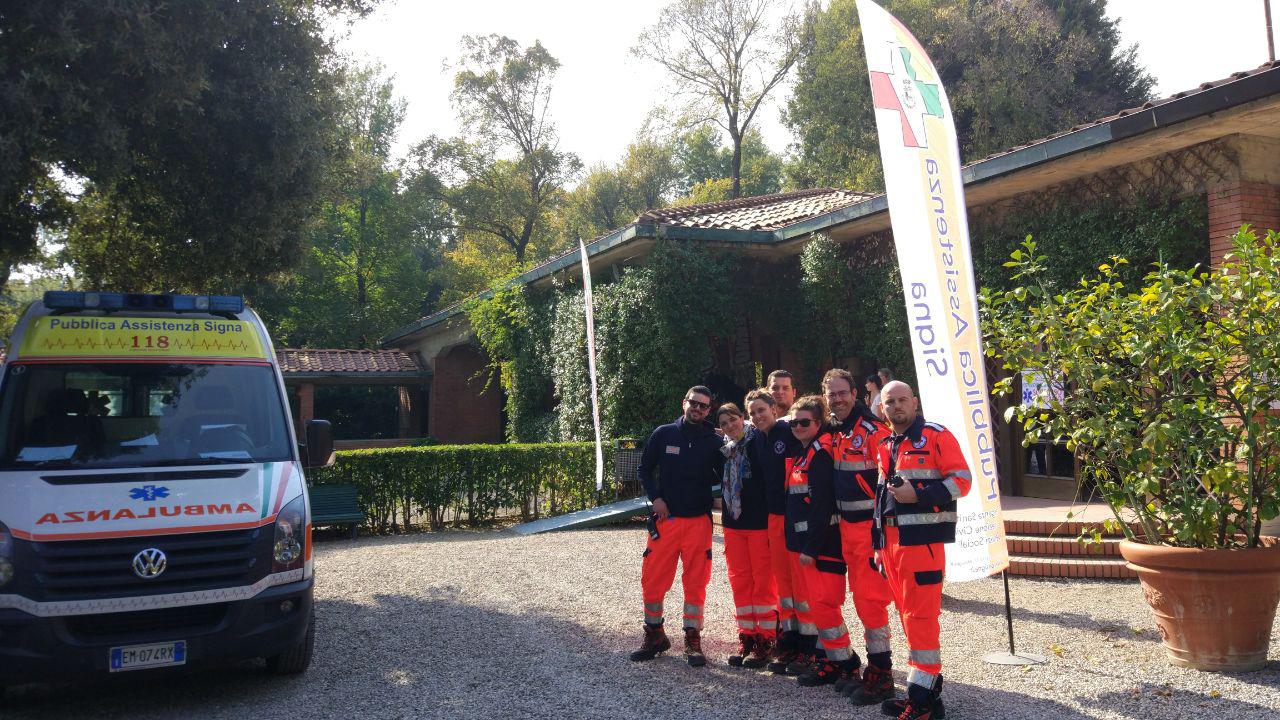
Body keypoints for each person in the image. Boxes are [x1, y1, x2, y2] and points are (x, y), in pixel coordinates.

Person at [873, 381, 972, 719]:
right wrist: (877, 543)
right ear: (882, 408)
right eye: (890, 402)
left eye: (902, 400)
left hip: (922, 543)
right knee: (908, 618)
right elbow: (880, 498)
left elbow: (962, 481)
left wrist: (918, 494)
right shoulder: (887, 443)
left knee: (921, 620)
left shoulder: (935, 436)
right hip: (892, 543)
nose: (897, 406)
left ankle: (923, 703)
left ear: (914, 402)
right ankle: (923, 695)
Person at [631, 386, 725, 667]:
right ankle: (654, 634)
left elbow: (728, 474)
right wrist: (656, 498)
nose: (698, 409)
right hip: (666, 520)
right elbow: (644, 469)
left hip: (698, 522)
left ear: (709, 411)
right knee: (653, 578)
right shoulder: (664, 434)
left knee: (696, 582)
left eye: (704, 406)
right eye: (694, 403)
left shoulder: (714, 441)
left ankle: (692, 639)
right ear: (684, 402)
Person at [822, 369, 897, 704]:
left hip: (869, 529)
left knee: (871, 601)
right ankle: (873, 669)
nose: (837, 399)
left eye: (842, 393)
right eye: (832, 394)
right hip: (847, 529)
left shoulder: (872, 431)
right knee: (861, 599)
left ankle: (882, 674)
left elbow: (891, 481)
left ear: (855, 394)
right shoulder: (837, 431)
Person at [784, 395, 861, 687]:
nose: (797, 427)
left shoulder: (820, 454)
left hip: (823, 546)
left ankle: (846, 663)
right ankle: (830, 659)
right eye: (794, 422)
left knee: (825, 605)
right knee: (819, 607)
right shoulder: (806, 451)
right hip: (809, 544)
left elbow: (822, 505)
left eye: (804, 422)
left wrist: (811, 548)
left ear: (818, 423)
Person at [743, 388, 805, 673]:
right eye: (753, 413)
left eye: (761, 410)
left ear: (774, 409)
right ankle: (789, 642)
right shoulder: (756, 439)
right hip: (773, 516)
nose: (757, 416)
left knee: (800, 581)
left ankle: (809, 646)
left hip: (795, 514)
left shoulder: (788, 432)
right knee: (783, 583)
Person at [715, 402, 777, 668]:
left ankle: (767, 638)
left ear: (743, 418)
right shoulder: (725, 449)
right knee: (739, 580)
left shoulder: (758, 442)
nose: (730, 426)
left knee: (763, 581)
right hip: (734, 523)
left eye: (733, 419)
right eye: (724, 423)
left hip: (759, 523)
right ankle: (747, 635)